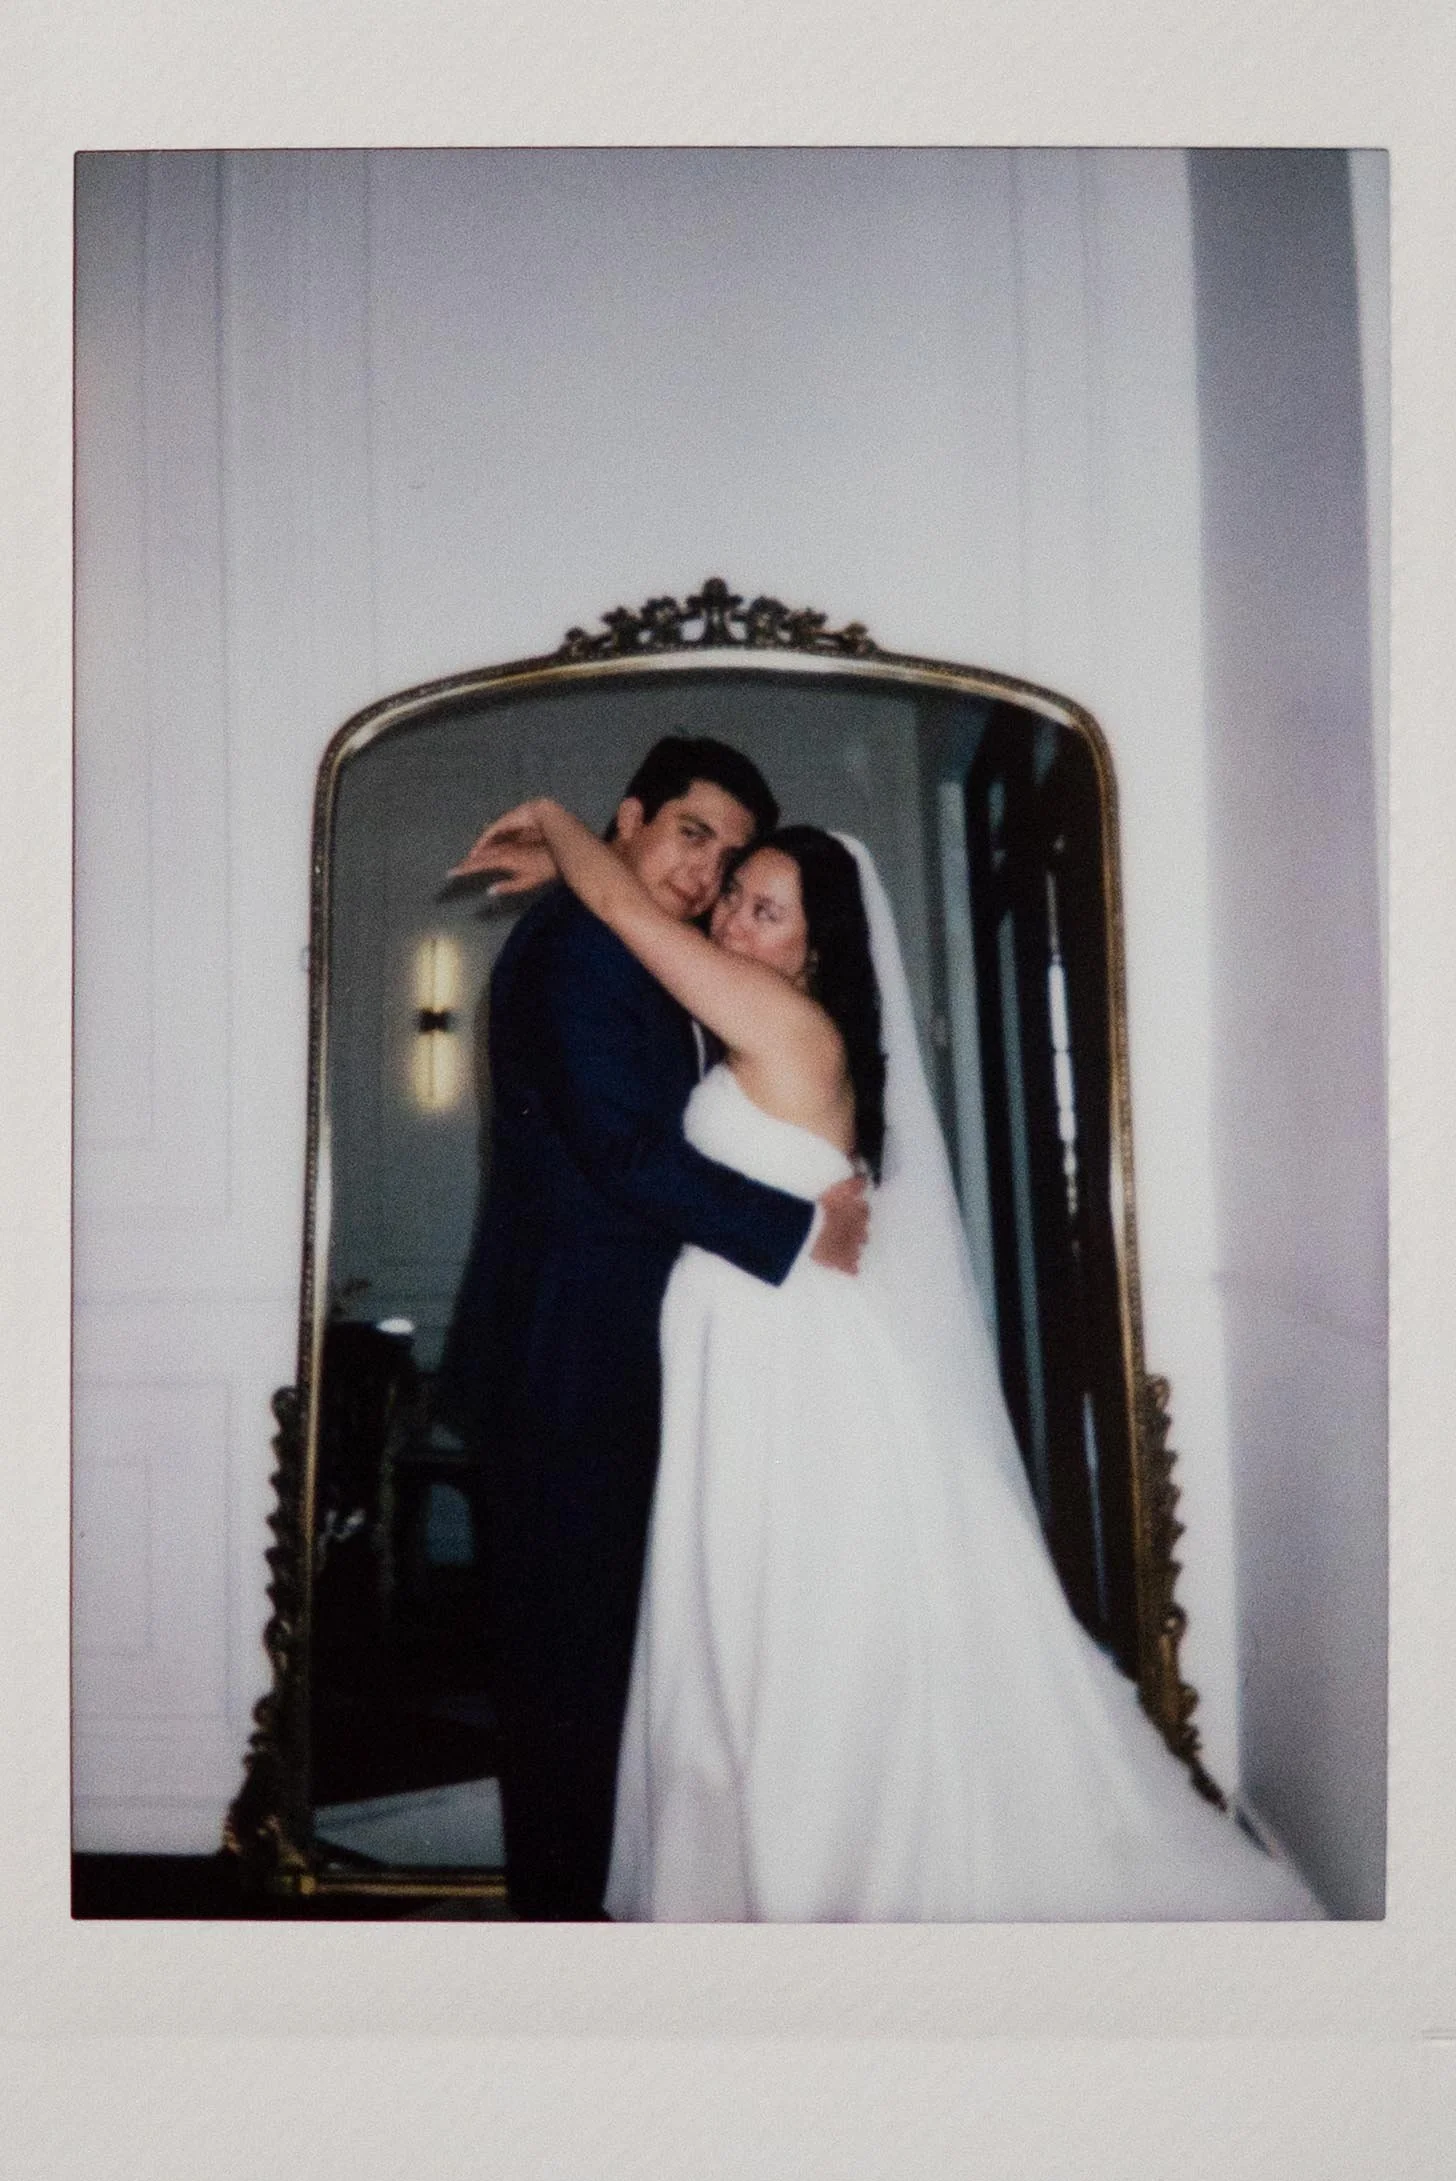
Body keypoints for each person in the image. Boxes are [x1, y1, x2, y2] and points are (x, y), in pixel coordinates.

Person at [458, 792, 1326, 1921]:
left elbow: (628, 910)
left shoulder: (784, 1025)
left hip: (788, 1373)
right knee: (739, 1635)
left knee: (790, 1635)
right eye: (731, 897)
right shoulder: (752, 1022)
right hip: (746, 1359)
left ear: (820, 949)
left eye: (765, 911)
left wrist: (557, 827)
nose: (731, 923)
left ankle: (812, 1870)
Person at [439, 738, 870, 1920]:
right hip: (564, 1367)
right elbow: (630, 1157)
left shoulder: (642, 951)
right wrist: (798, 1231)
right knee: (568, 1678)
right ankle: (564, 1931)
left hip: (627, 1366)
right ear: (628, 817)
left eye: (733, 859)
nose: (709, 873)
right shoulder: (584, 952)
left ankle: (612, 1896)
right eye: (692, 833)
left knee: (620, 1667)